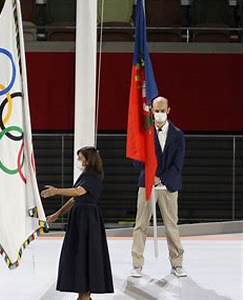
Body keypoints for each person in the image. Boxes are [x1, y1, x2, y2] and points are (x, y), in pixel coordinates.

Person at [41, 146, 114, 300]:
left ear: (88, 160)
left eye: (80, 158)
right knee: (79, 256)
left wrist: (56, 191)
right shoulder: (84, 175)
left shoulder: (94, 176)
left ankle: (85, 294)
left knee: (87, 255)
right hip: (79, 220)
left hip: (88, 221)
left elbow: (79, 192)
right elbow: (74, 199)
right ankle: (84, 293)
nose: (78, 161)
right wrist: (56, 214)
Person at [130, 96, 187, 278]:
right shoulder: (144, 133)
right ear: (151, 111)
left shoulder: (178, 135)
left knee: (171, 225)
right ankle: (137, 265)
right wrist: (150, 176)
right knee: (140, 225)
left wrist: (160, 179)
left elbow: (178, 164)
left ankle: (177, 264)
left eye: (163, 110)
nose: (160, 114)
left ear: (169, 110)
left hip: (169, 186)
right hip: (146, 185)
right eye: (156, 110)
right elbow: (137, 160)